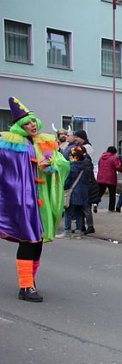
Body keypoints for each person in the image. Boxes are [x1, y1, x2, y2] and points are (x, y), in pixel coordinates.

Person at [0, 97, 70, 302]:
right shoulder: (9, 144)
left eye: (33, 121)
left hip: (42, 201)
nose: (32, 125)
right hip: (22, 201)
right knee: (28, 240)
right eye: (27, 123)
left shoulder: (44, 141)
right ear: (20, 126)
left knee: (37, 242)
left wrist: (51, 166)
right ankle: (25, 286)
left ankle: (30, 281)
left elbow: (63, 163)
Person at [64, 145, 95, 236]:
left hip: (73, 192)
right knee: (79, 212)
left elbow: (68, 181)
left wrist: (64, 187)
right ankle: (78, 230)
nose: (69, 157)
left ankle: (67, 230)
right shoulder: (85, 166)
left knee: (68, 212)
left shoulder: (72, 168)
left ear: (75, 157)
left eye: (71, 156)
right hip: (83, 192)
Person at [96, 145, 122, 212]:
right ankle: (111, 209)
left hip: (101, 177)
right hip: (110, 177)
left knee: (99, 193)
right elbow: (118, 167)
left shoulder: (101, 157)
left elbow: (99, 165)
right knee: (112, 194)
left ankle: (95, 203)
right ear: (114, 152)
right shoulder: (114, 158)